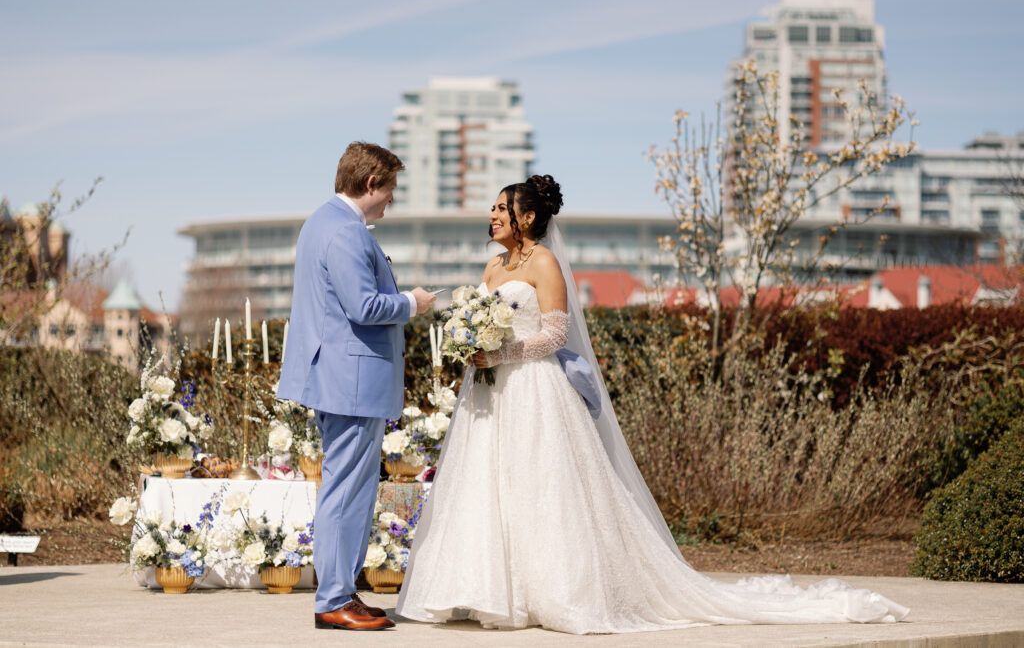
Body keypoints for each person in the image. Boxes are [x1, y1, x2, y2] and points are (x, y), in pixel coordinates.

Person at [396, 174, 909, 634]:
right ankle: (478, 589)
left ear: (526, 218)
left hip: (534, 389)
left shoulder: (545, 263)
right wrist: (468, 345)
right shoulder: (492, 266)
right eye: (492, 210)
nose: (491, 216)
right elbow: (480, 318)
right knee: (485, 484)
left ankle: (547, 592)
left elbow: (555, 333)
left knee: (541, 486)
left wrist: (502, 351)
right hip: (489, 395)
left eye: (499, 209)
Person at [278, 142, 435, 631]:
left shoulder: (321, 222)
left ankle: (341, 591)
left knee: (351, 488)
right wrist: (413, 302)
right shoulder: (346, 232)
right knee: (346, 491)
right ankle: (333, 599)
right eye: (390, 190)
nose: (391, 201)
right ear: (371, 184)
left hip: (341, 377)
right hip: (350, 380)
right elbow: (364, 306)